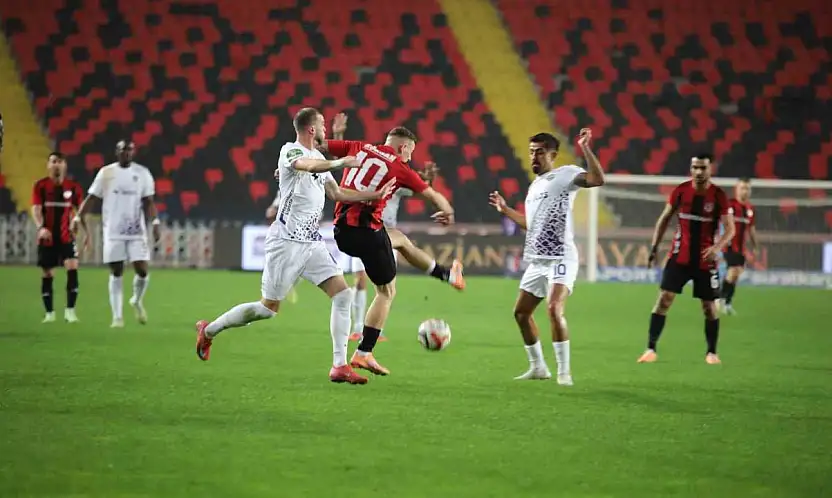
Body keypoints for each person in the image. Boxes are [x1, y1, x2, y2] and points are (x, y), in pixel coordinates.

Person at [194, 107, 395, 385]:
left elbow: (337, 193)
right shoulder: (290, 151)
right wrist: (341, 163)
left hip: (311, 242)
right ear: (311, 129)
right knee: (267, 309)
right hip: (286, 242)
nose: (325, 128)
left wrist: (373, 195)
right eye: (322, 124)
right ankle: (209, 330)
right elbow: (307, 166)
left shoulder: (319, 157)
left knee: (343, 295)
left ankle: (339, 366)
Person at [320, 127, 460, 376]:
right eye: (410, 151)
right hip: (368, 234)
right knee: (386, 291)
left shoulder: (359, 146)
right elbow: (432, 195)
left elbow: (319, 146)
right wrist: (447, 212)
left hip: (341, 232)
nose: (409, 156)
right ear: (403, 147)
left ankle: (447, 275)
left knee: (401, 240)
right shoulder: (400, 167)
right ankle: (364, 353)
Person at [488, 129, 604, 385]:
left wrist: (585, 148)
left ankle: (564, 373)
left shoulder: (566, 174)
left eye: (539, 152)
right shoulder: (535, 187)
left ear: (553, 154)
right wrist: (505, 209)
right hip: (538, 259)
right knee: (521, 313)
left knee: (554, 308)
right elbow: (531, 224)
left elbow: (597, 179)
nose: (534, 157)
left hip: (561, 257)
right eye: (531, 152)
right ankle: (539, 367)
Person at [639, 154, 736, 365]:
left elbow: (731, 229)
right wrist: (654, 248)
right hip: (679, 258)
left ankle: (712, 353)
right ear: (690, 169)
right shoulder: (681, 191)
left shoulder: (718, 195)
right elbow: (664, 219)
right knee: (664, 300)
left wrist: (716, 248)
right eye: (695, 167)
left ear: (711, 169)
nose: (699, 172)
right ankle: (650, 349)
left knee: (709, 308)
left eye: (703, 168)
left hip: (705, 261)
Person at [73, 140, 160, 328]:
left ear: (133, 152)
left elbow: (149, 201)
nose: (126, 153)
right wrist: (78, 217)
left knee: (142, 270)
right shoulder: (106, 173)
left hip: (136, 230)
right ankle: (117, 317)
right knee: (116, 270)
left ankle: (136, 300)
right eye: (122, 150)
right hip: (113, 230)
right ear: (117, 152)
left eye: (129, 150)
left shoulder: (142, 173)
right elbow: (92, 197)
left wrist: (155, 222)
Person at [31, 152, 86, 323]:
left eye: (60, 161)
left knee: (72, 268)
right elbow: (37, 209)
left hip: (66, 236)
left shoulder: (74, 187)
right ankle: (49, 313)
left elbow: (81, 209)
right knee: (48, 273)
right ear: (48, 165)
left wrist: (84, 229)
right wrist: (40, 228)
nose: (56, 165)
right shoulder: (40, 186)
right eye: (53, 161)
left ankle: (70, 311)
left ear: (65, 165)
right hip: (47, 237)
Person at [718, 178, 757, 315]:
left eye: (747, 188)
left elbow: (751, 229)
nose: (745, 191)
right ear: (736, 189)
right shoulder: (730, 205)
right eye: (742, 188)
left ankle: (727, 303)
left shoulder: (750, 209)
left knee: (736, 274)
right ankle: (721, 299)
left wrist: (755, 245)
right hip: (729, 245)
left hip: (741, 248)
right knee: (733, 271)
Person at [265, 186, 298, 304]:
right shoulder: (286, 190)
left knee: (298, 263)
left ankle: (287, 284)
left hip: (299, 232)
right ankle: (281, 286)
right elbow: (272, 210)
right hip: (286, 232)